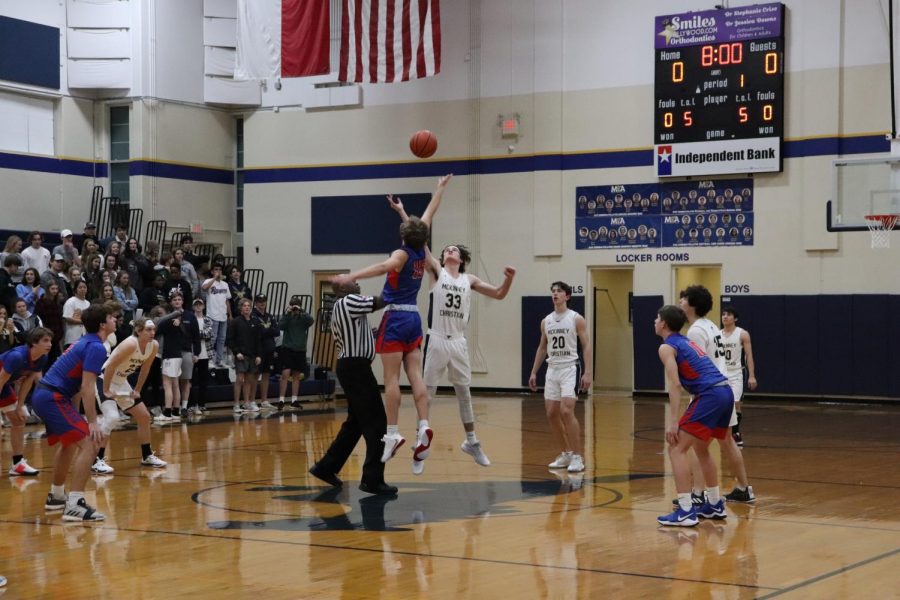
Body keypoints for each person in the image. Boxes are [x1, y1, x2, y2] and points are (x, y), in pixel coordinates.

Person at [389, 195, 517, 472]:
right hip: (435, 339)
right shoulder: (436, 272)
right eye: (445, 249)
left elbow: (498, 294)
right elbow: (418, 238)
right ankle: (419, 446)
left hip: (458, 342)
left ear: (461, 258)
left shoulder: (469, 280)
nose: (448, 251)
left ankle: (471, 441)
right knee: (428, 394)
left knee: (464, 394)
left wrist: (508, 279)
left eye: (453, 250)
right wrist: (401, 212)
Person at [332, 174, 452, 464]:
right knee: (416, 375)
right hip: (414, 318)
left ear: (403, 237)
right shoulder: (422, 251)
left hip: (396, 318)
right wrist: (438, 189)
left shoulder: (401, 254)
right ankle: (424, 425)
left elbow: (384, 266)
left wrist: (352, 275)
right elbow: (429, 214)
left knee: (390, 379)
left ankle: (393, 433)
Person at [309, 280, 397, 496]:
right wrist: (398, 285)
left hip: (351, 366)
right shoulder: (348, 301)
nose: (357, 282)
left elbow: (359, 335)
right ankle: (372, 479)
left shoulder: (342, 306)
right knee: (377, 423)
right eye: (352, 281)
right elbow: (380, 301)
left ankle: (325, 467)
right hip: (356, 368)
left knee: (355, 424)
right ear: (341, 289)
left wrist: (372, 335)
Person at [32, 303, 116, 521]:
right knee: (90, 442)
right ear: (102, 324)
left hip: (47, 395)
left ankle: (57, 497)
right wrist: (92, 421)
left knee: (70, 444)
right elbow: (88, 387)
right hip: (53, 397)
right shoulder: (96, 346)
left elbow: (79, 386)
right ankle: (75, 504)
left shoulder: (85, 341)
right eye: (112, 318)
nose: (116, 320)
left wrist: (77, 414)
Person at [654, 305, 732, 527]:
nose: (654, 322)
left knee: (676, 448)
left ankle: (686, 510)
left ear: (664, 324)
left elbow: (675, 384)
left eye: (657, 318)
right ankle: (715, 503)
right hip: (724, 391)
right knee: (701, 448)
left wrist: (672, 421)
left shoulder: (667, 347)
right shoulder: (685, 341)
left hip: (710, 394)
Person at [678, 285, 755, 505]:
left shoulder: (695, 331)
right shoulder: (711, 325)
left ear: (692, 304)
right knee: (727, 441)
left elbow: (698, 364)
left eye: (683, 299)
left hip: (709, 391)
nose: (680, 303)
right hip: (725, 388)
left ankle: (698, 493)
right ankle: (743, 488)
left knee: (697, 444)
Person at [528, 281, 592, 474]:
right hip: (552, 369)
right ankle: (565, 453)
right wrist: (533, 371)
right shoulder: (546, 321)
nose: (555, 294)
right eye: (553, 291)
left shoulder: (576, 318)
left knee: (566, 411)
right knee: (551, 413)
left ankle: (577, 457)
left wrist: (588, 372)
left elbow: (586, 346)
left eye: (559, 291)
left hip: (570, 367)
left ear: (567, 296)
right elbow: (541, 347)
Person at [96, 317, 167, 468]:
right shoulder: (130, 344)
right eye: (148, 330)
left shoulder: (153, 345)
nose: (152, 332)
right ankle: (96, 459)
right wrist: (107, 390)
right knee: (112, 418)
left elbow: (145, 368)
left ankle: (147, 456)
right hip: (103, 379)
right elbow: (110, 367)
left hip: (121, 381)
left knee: (144, 416)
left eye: (154, 329)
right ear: (138, 330)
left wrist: (137, 390)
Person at [0, 327, 53, 476]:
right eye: (45, 340)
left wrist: (20, 405)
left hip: (4, 386)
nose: (49, 344)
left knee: (19, 419)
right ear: (34, 343)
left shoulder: (42, 358)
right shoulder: (17, 356)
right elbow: (1, 379)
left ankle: (17, 464)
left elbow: (28, 381)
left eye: (50, 340)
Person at [720, 305, 757, 502]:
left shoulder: (742, 334)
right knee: (726, 405)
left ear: (735, 318)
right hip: (721, 374)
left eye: (728, 314)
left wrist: (751, 375)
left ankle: (735, 431)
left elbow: (749, 355)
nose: (725, 317)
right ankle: (732, 431)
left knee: (734, 402)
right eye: (723, 314)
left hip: (736, 374)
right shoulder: (717, 335)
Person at [277, 297, 315, 410]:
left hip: (300, 349)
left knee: (296, 376)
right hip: (288, 348)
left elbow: (311, 321)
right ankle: (281, 400)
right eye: (293, 305)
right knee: (285, 374)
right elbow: (280, 325)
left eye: (296, 305)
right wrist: (288, 313)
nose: (294, 307)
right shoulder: (288, 316)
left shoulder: (303, 317)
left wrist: (301, 311)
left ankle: (294, 400)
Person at [227, 298, 261, 413]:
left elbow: (258, 340)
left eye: (249, 306)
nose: (247, 308)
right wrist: (237, 352)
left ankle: (247, 403)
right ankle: (236, 404)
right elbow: (230, 340)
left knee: (249, 380)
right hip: (241, 355)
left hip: (252, 355)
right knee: (239, 379)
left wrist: (258, 355)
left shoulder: (255, 322)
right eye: (245, 306)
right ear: (240, 308)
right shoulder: (235, 322)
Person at [250, 294, 280, 408]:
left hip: (270, 348)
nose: (262, 303)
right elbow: (258, 332)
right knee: (256, 375)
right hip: (258, 350)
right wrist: (269, 330)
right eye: (259, 301)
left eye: (264, 301)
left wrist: (267, 331)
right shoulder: (253, 315)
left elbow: (277, 331)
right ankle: (252, 401)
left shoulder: (270, 316)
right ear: (256, 303)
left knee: (266, 374)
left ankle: (264, 400)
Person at [200, 263, 230, 367]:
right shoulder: (208, 281)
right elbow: (204, 288)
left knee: (222, 339)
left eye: (220, 270)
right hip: (212, 314)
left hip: (223, 315)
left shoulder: (225, 284)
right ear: (212, 271)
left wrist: (229, 314)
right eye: (216, 269)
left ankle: (219, 359)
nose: (218, 271)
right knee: (212, 338)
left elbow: (227, 300)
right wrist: (214, 279)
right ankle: (210, 359)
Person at [62, 280, 91, 349]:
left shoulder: (88, 303)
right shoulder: (71, 301)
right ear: (75, 289)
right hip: (72, 338)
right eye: (80, 287)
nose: (82, 289)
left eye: (84, 287)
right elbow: (67, 318)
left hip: (85, 336)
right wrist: (84, 321)